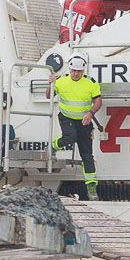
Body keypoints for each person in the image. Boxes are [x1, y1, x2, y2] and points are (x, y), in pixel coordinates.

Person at [50, 58, 104, 199]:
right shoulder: (61, 81)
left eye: (78, 72)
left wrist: (90, 113)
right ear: (69, 69)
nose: (75, 74)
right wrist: (50, 84)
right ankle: (54, 146)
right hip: (66, 117)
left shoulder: (90, 83)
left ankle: (91, 187)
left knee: (87, 155)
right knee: (70, 137)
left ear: (83, 71)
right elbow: (48, 95)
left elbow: (98, 101)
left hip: (84, 121)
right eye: (73, 71)